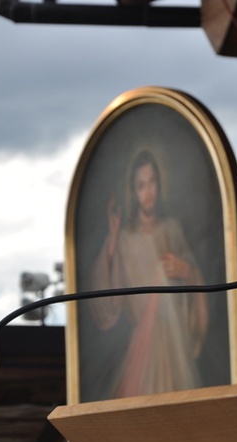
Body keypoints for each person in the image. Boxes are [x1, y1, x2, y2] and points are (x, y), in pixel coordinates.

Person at [89, 148, 209, 398]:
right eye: (141, 185)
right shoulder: (124, 238)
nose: (148, 191)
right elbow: (108, 298)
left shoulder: (171, 229)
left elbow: (194, 275)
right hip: (142, 348)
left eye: (152, 182)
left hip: (173, 340)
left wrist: (186, 270)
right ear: (133, 192)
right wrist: (112, 237)